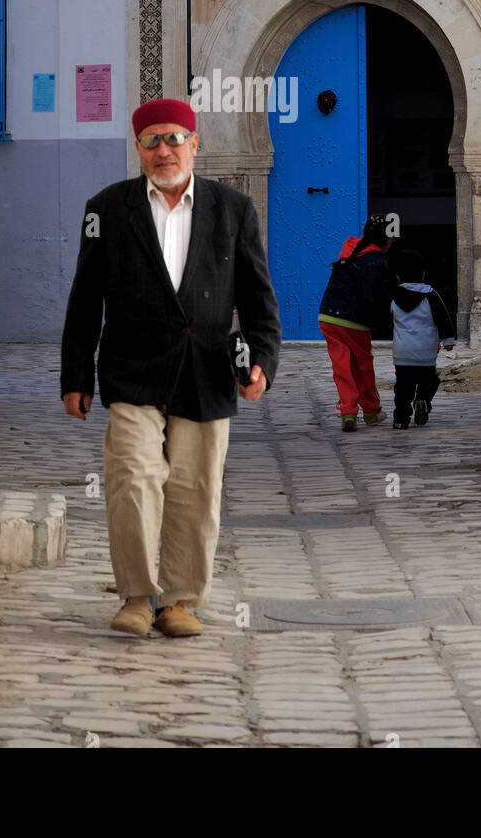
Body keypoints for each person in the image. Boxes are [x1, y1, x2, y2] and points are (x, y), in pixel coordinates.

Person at [60, 97, 281, 639]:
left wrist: (263, 364)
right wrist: (75, 376)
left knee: (195, 488)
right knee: (133, 480)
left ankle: (179, 600)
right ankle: (138, 595)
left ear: (195, 144)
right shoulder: (106, 209)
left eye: (174, 138)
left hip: (206, 372)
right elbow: (85, 299)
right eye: (153, 140)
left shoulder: (233, 210)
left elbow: (258, 298)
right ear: (138, 148)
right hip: (132, 371)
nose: (165, 151)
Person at [318, 216, 394, 431]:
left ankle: (348, 411)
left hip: (328, 317)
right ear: (386, 240)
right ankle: (371, 411)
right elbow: (371, 297)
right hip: (354, 321)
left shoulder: (350, 253)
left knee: (342, 366)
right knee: (362, 366)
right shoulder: (376, 261)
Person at [387, 248, 455, 429]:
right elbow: (443, 318)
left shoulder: (393, 296)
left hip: (402, 353)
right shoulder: (431, 296)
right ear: (423, 274)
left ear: (398, 277)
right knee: (430, 380)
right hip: (425, 353)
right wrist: (448, 340)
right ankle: (422, 400)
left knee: (402, 388)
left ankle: (400, 419)